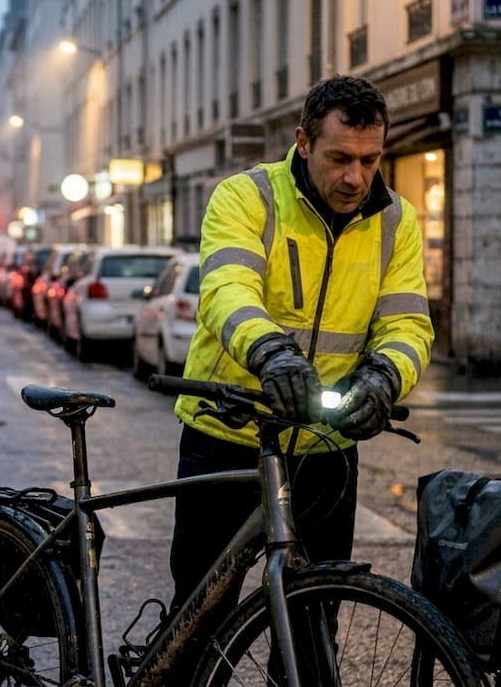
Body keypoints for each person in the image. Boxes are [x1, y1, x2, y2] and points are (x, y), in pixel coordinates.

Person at [168, 75, 434, 614]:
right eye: (340, 158)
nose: (355, 177)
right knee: (202, 617)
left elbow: (408, 323)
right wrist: (271, 352)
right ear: (304, 142)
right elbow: (226, 291)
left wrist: (384, 377)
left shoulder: (396, 219)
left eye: (370, 160)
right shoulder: (247, 196)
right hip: (228, 430)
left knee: (315, 619)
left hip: (324, 444)